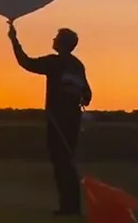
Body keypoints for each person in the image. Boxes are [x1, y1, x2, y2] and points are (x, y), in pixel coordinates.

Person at [8, 21, 92, 217]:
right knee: (66, 161)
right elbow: (87, 94)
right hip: (73, 120)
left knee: (61, 162)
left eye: (56, 38)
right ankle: (71, 206)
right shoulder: (77, 65)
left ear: (61, 44)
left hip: (58, 121)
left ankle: (69, 208)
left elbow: (26, 63)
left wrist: (14, 40)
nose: (53, 40)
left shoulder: (55, 63)